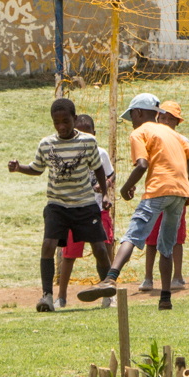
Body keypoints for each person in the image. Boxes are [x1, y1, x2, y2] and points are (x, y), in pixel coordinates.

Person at [78, 94, 189, 311]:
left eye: (131, 116)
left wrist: (125, 188)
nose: (131, 122)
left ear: (138, 113)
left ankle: (110, 279)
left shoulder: (140, 132)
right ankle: (165, 298)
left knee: (132, 235)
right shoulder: (175, 134)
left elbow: (142, 164)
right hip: (180, 194)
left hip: (158, 190)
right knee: (166, 246)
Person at [8, 98, 112, 313]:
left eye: (66, 121)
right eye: (57, 122)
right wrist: (20, 168)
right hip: (57, 204)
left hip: (84, 204)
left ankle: (107, 292)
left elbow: (99, 168)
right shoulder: (47, 144)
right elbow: (37, 169)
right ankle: (47, 296)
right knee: (48, 245)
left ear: (74, 119)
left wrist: (105, 194)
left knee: (100, 249)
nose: (62, 126)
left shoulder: (88, 142)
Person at [55, 114, 116, 309]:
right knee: (69, 254)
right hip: (75, 210)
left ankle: (108, 294)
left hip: (98, 210)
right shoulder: (70, 154)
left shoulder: (101, 153)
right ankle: (61, 297)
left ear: (95, 135)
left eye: (88, 134)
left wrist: (104, 187)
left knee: (103, 250)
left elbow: (110, 175)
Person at [140, 101, 189, 292]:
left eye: (171, 119)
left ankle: (178, 276)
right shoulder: (153, 138)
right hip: (156, 191)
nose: (166, 122)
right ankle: (148, 277)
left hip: (177, 192)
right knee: (151, 236)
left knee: (175, 237)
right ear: (157, 118)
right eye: (163, 118)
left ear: (178, 122)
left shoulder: (181, 139)